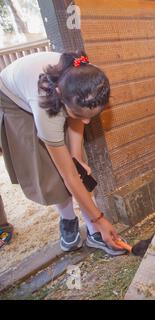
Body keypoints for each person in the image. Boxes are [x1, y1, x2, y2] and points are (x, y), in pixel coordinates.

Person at [0, 50, 126, 255]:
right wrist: (101, 219)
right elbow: (68, 175)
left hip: (56, 94)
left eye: (91, 117)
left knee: (77, 164)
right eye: (79, 115)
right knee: (50, 164)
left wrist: (76, 156)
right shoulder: (46, 106)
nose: (86, 122)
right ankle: (68, 219)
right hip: (11, 96)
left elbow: (79, 118)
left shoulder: (86, 81)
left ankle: (94, 233)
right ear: (60, 96)